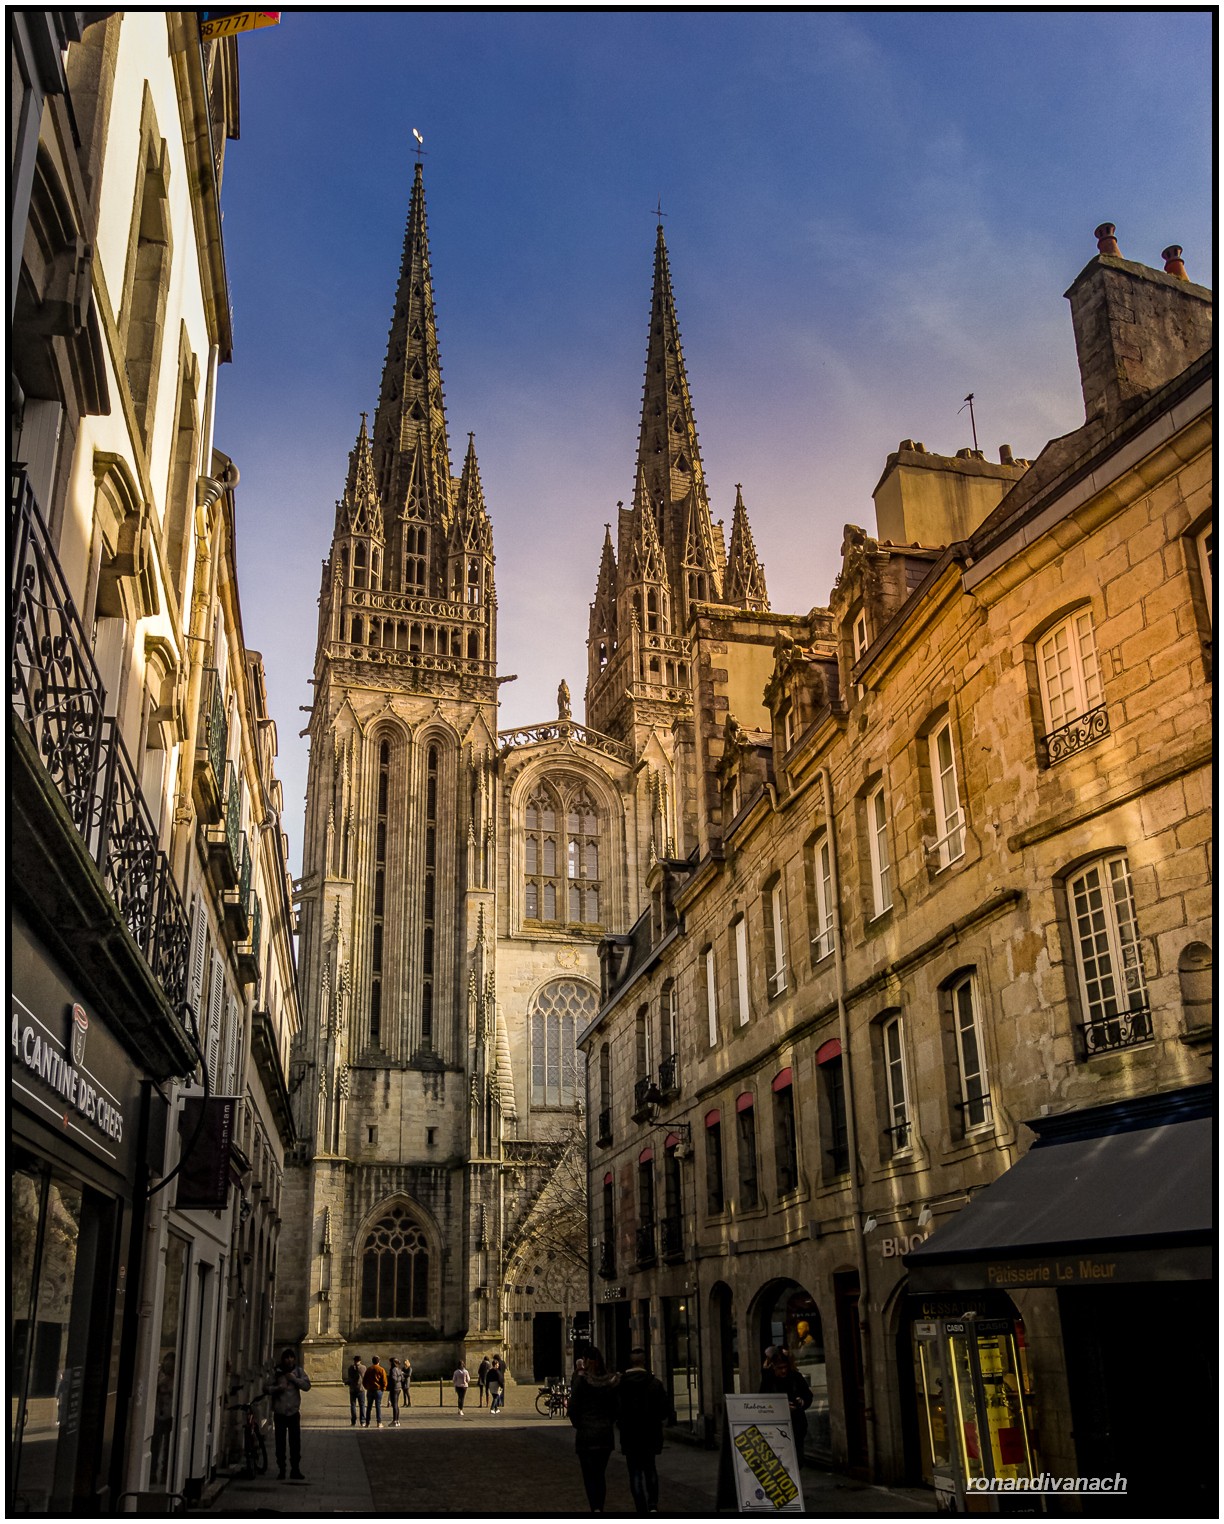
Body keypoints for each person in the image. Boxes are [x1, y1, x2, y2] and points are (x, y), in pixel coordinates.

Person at [616, 1347, 669, 1514]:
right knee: (650, 1468)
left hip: (630, 1435)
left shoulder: (621, 1385)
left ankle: (641, 1508)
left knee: (635, 1472)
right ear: (645, 1362)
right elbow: (664, 1411)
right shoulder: (655, 1384)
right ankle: (653, 1505)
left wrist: (622, 1423)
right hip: (650, 1434)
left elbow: (616, 1410)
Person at [567, 1345, 620, 1513]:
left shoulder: (581, 1383)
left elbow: (572, 1409)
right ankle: (600, 1508)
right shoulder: (609, 1382)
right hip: (604, 1435)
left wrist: (580, 1424)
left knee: (589, 1476)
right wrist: (607, 1423)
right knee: (600, 1475)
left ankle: (595, 1509)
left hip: (586, 1436)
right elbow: (615, 1409)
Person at [263, 1347, 311, 1482]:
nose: (289, 1360)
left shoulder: (299, 1371)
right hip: (280, 1413)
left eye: (291, 1357)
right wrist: (277, 1388)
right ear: (283, 1359)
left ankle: (295, 1469)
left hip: (294, 1413)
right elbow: (265, 1388)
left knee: (295, 1443)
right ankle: (282, 1469)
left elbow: (307, 1386)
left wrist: (295, 1380)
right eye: (287, 1357)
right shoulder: (276, 1372)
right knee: (280, 1443)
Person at [761, 1348, 813, 1461]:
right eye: (780, 1368)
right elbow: (763, 1402)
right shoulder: (769, 1380)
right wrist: (781, 1408)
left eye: (785, 1367)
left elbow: (808, 1395)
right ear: (773, 1367)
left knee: (797, 1459)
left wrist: (802, 1402)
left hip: (796, 1426)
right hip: (775, 1428)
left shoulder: (795, 1377)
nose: (783, 1371)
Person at [363, 1355, 388, 1427]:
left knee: (369, 1407)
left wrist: (366, 1387)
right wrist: (383, 1388)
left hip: (370, 1389)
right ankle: (379, 1422)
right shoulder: (381, 1369)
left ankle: (367, 1423)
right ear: (379, 1361)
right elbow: (384, 1381)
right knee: (378, 1406)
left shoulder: (369, 1369)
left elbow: (364, 1380)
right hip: (378, 1390)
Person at [345, 1355, 367, 1427]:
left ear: (354, 1360)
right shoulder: (363, 1368)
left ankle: (353, 1421)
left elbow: (349, 1378)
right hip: (361, 1389)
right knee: (362, 1405)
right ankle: (362, 1421)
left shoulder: (350, 1368)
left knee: (353, 1405)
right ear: (360, 1360)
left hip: (352, 1389)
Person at [388, 1357, 405, 1427]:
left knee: (394, 1404)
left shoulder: (393, 1370)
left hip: (394, 1388)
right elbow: (402, 1378)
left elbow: (394, 1378)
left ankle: (395, 1420)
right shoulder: (399, 1369)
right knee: (396, 1404)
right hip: (398, 1387)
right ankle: (397, 1420)